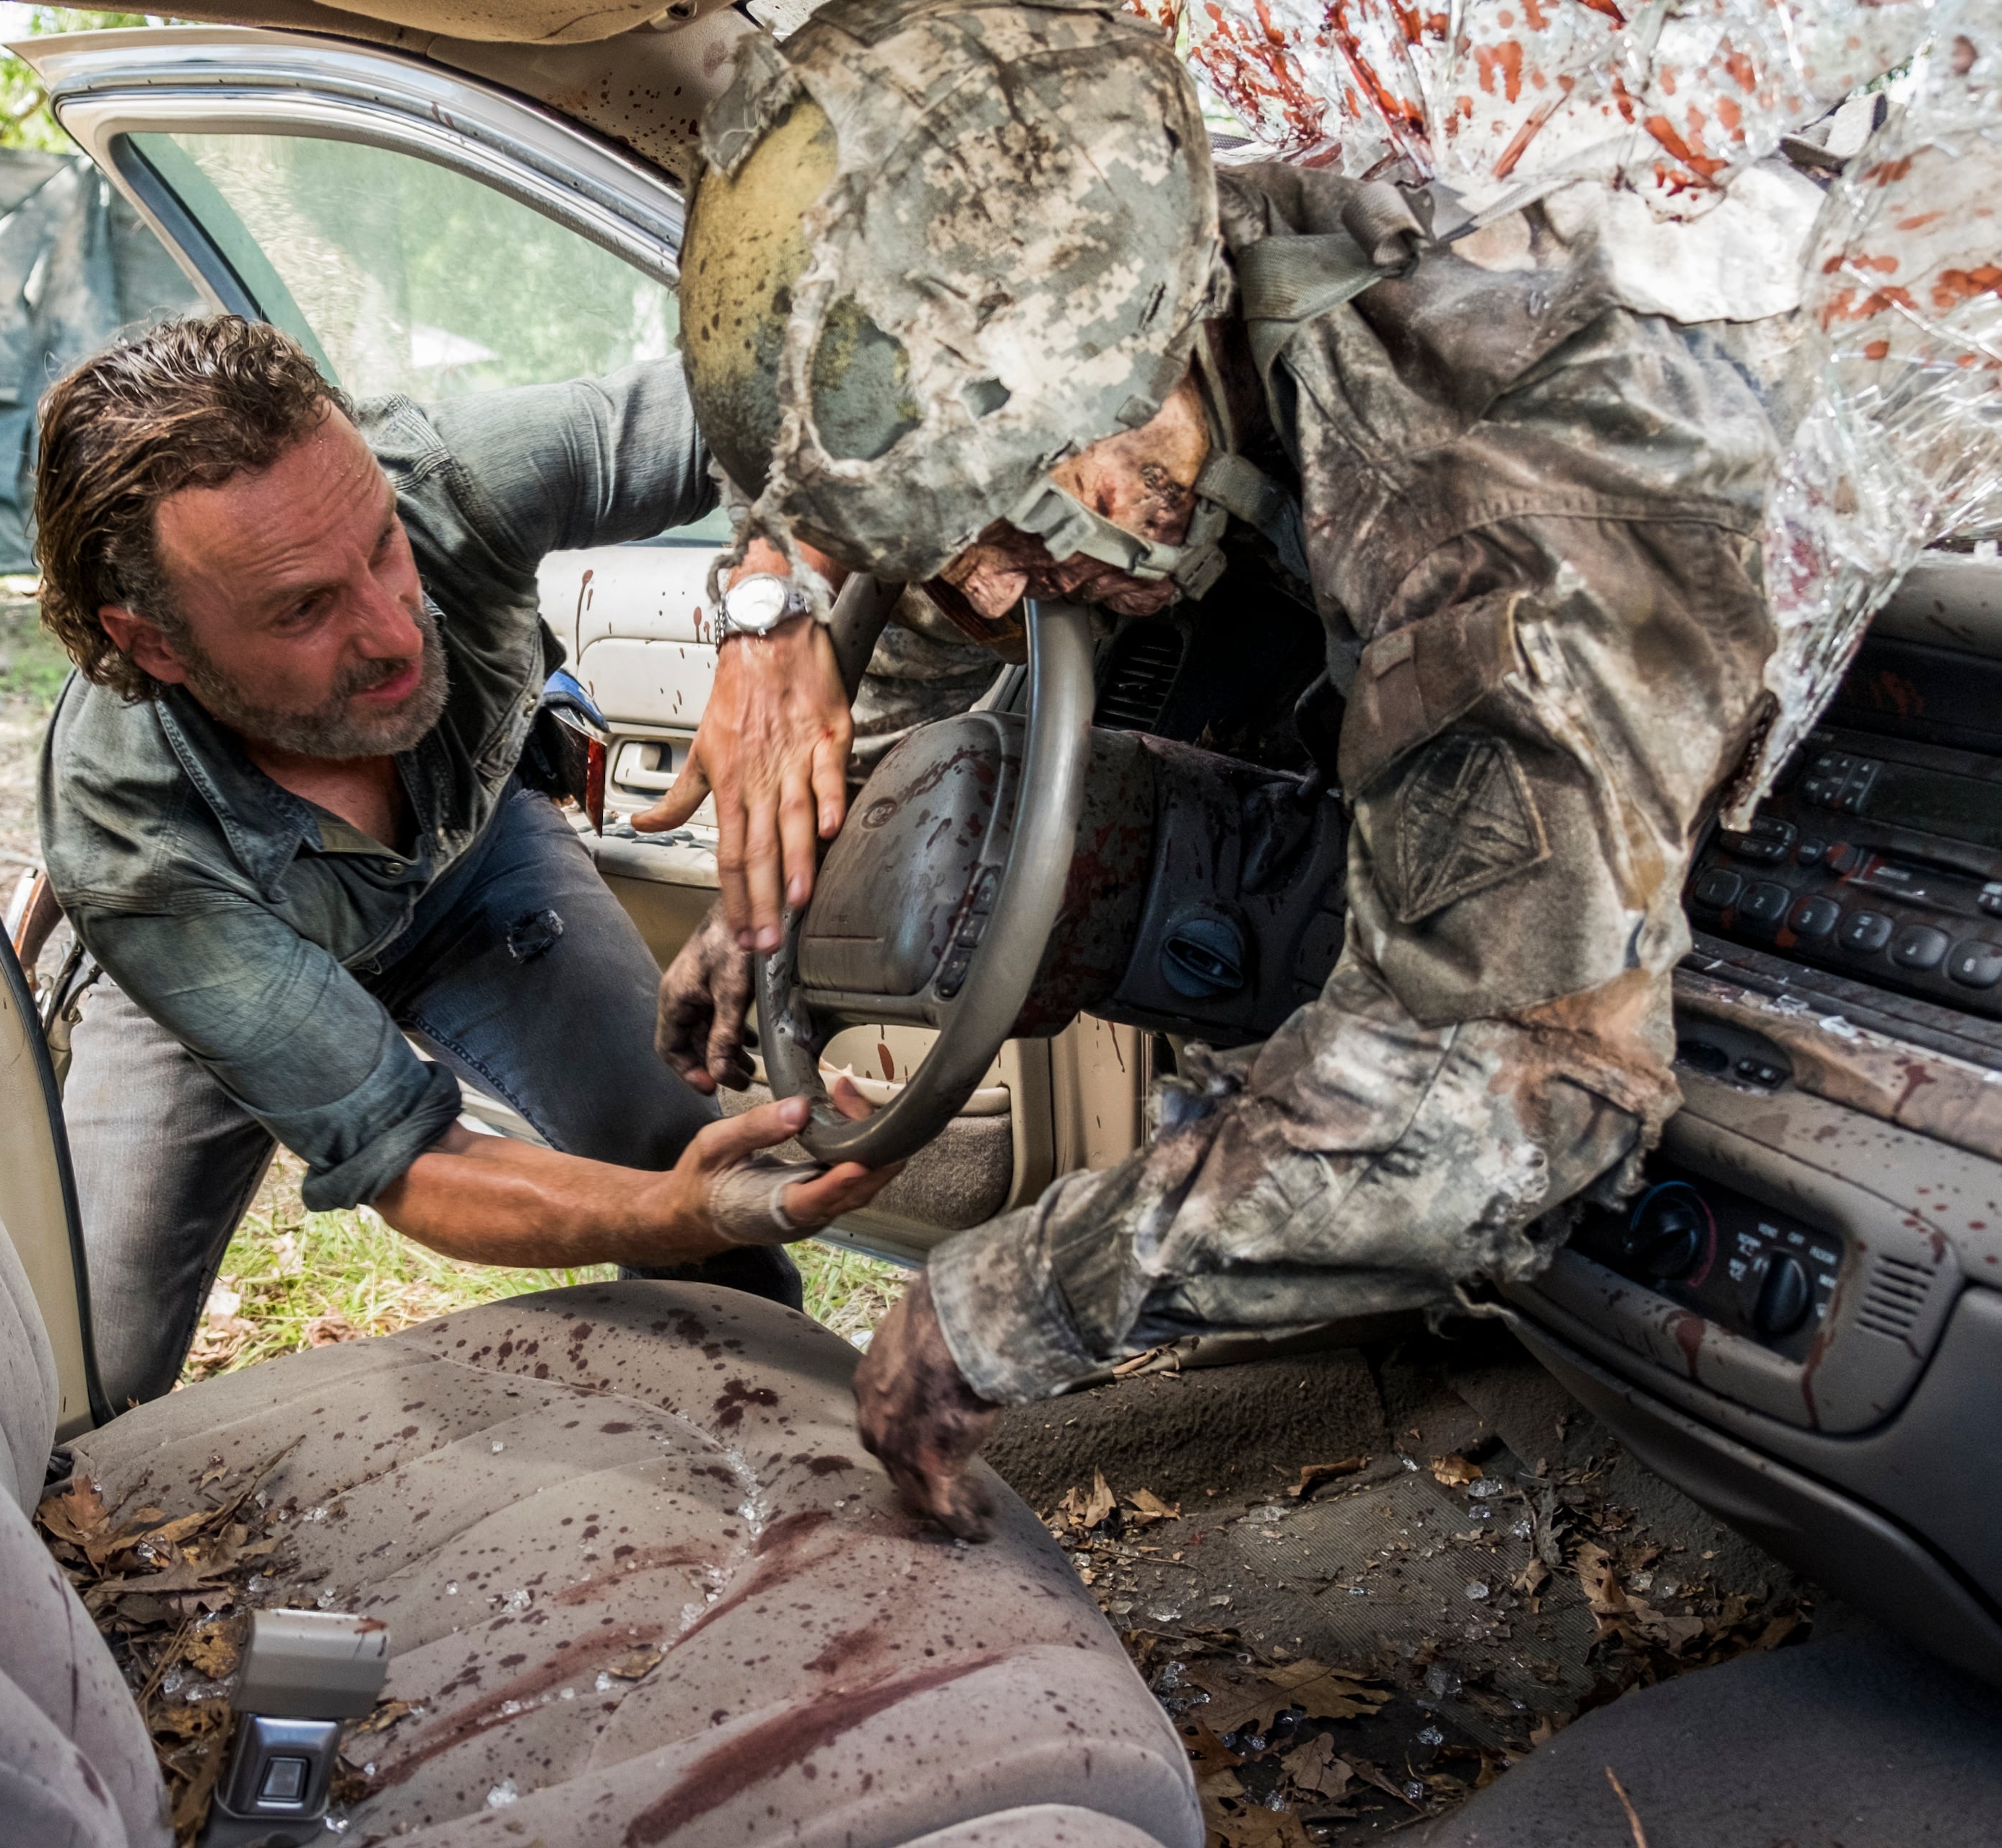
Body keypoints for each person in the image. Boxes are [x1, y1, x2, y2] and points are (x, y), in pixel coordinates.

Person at [654, 0, 1808, 1533]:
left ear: (1126, 378)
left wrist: (1003, 1306)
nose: (1000, 595)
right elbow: (940, 614)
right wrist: (774, 900)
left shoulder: (1501, 528)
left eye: (1008, 528)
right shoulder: (1135, 300)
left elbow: (1512, 1097)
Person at [29, 316, 893, 1410]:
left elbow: (821, 381)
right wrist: (664, 1206)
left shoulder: (452, 478)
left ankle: (784, 1495)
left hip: (471, 867)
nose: (396, 631)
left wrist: (773, 610)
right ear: (152, 643)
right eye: (303, 606)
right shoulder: (129, 842)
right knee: (82, 1378)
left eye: (384, 546)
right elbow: (415, 1162)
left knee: (696, 1189)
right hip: (211, 948)